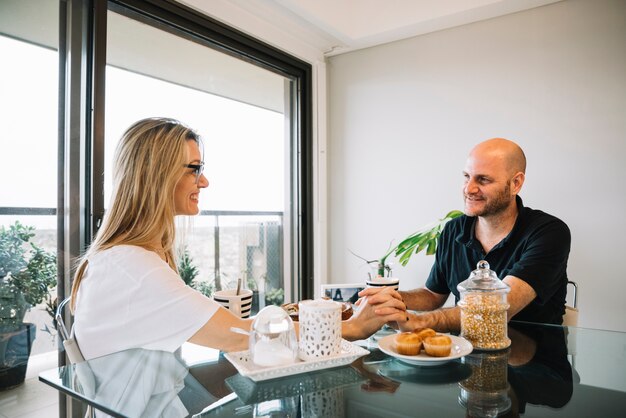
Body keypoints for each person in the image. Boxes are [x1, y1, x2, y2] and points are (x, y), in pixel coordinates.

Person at [70, 117, 406, 360]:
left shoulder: (123, 260)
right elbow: (240, 336)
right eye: (194, 169)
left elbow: (228, 327)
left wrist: (312, 315)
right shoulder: (137, 270)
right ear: (158, 176)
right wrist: (353, 328)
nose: (204, 183)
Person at [362, 138, 571, 332]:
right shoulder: (453, 230)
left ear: (516, 183)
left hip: (535, 363)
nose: (469, 189)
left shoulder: (549, 233)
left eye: (483, 180)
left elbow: (497, 308)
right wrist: (393, 299)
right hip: (462, 357)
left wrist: (419, 321)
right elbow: (433, 294)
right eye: (466, 177)